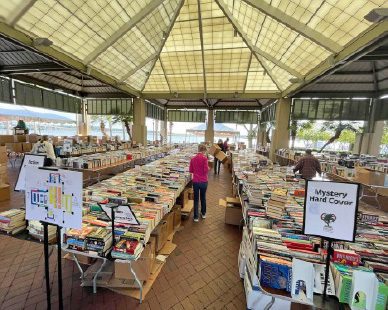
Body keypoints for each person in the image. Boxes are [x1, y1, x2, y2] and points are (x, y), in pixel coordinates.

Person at [189, 144, 209, 222]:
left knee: (196, 199)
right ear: (204, 151)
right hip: (204, 181)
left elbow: (191, 170)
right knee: (203, 197)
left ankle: (196, 217)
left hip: (196, 181)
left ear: (198, 149)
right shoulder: (205, 159)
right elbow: (206, 170)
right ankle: (203, 213)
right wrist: (208, 168)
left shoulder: (193, 159)